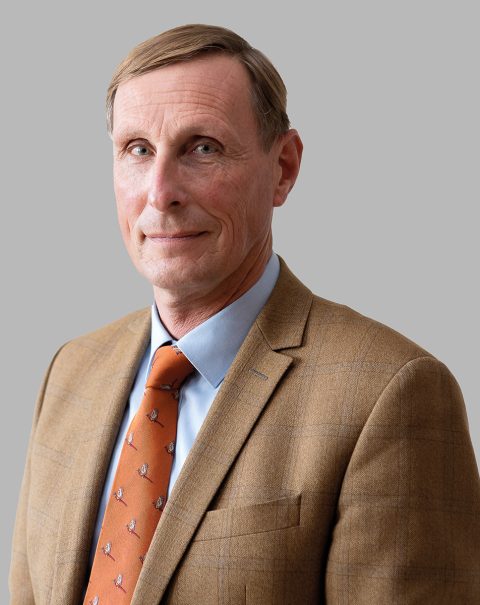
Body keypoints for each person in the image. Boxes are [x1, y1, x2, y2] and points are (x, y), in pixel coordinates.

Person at [9, 23, 480, 605]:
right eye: (138, 150)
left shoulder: (389, 394)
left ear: (283, 167)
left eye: (202, 148)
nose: (160, 192)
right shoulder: (70, 373)